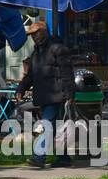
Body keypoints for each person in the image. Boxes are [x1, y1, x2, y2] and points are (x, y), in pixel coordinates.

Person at [18, 21, 74, 168]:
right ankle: (64, 158)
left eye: (35, 34)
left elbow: (67, 73)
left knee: (47, 125)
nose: (33, 37)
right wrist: (21, 89)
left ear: (43, 32)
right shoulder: (36, 53)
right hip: (44, 96)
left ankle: (39, 156)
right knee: (55, 127)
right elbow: (30, 75)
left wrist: (69, 93)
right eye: (31, 35)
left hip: (57, 94)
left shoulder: (58, 49)